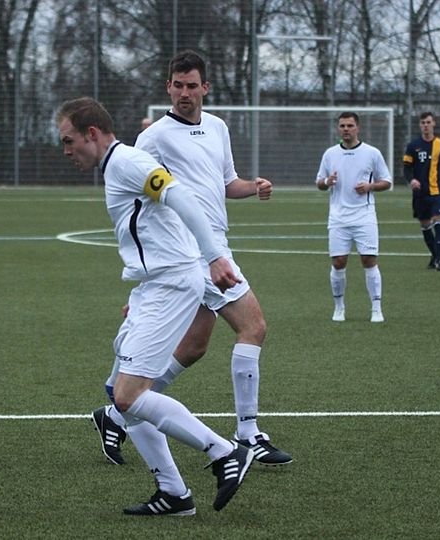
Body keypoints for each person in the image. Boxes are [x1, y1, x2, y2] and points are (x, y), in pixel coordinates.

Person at [90, 50, 292, 472]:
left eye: (192, 85)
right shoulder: (153, 138)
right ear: (168, 87)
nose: (185, 93)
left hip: (213, 246)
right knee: (253, 327)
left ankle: (116, 414)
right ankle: (248, 435)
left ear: (206, 87)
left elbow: (224, 184)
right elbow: (143, 201)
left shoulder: (217, 127)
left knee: (195, 346)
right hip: (193, 253)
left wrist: (253, 187)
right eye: (177, 85)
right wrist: (155, 279)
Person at [57, 96, 254, 515]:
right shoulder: (116, 166)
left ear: (91, 134)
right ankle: (174, 493)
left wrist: (216, 256)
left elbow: (183, 200)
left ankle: (224, 452)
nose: (67, 150)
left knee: (129, 395)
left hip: (172, 283)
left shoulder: (128, 162)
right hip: (153, 285)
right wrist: (139, 293)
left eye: (69, 140)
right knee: (117, 391)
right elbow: (152, 229)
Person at [315, 112, 392, 323]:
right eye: (342, 126)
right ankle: (339, 307)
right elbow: (319, 182)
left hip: (364, 216)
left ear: (357, 128)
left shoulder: (372, 153)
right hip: (338, 217)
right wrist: (327, 182)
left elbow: (387, 181)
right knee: (338, 262)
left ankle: (376, 308)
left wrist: (370, 186)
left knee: (369, 260)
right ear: (338, 129)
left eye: (350, 125)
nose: (346, 129)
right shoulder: (330, 154)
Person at [403, 111, 440, 271]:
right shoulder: (413, 146)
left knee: (438, 221)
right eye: (423, 123)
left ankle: (439, 261)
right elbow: (406, 168)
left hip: (436, 191)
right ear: (420, 125)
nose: (425, 125)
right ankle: (434, 256)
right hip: (420, 194)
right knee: (425, 225)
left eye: (428, 122)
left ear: (434, 123)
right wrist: (411, 180)